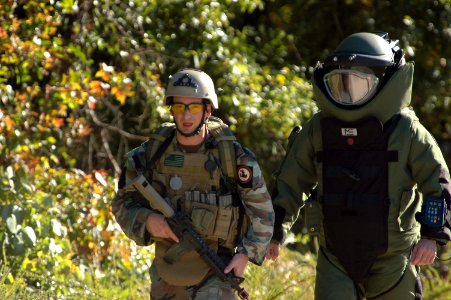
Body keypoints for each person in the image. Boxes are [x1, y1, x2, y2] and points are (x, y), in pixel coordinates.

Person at [266, 32, 451, 299]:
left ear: (383, 82)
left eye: (358, 83)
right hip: (335, 257)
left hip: (395, 259)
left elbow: (439, 181)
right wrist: (274, 234)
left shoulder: (407, 131)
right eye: (340, 83)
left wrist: (432, 237)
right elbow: (291, 182)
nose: (348, 93)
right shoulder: (317, 129)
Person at [112, 68, 274, 299]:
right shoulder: (151, 154)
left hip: (218, 269)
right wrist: (148, 220)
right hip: (168, 271)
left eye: (194, 107)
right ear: (171, 109)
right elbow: (121, 203)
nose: (186, 116)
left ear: (207, 110)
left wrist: (245, 255)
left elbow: (263, 213)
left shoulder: (232, 158)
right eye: (179, 107)